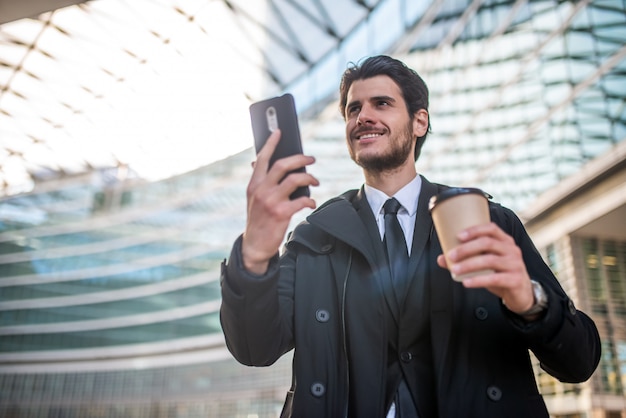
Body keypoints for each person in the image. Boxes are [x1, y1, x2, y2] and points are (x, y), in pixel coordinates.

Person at [220, 55, 601, 417]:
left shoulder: (490, 223)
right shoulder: (313, 238)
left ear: (420, 122)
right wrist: (254, 253)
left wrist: (530, 301)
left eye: (381, 103)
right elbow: (255, 347)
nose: (363, 117)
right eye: (354, 109)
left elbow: (579, 361)